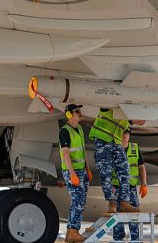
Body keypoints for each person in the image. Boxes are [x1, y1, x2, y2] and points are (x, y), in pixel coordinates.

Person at [89, 108, 139, 214]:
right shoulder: (109, 107)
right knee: (106, 173)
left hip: (116, 141)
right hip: (102, 141)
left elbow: (141, 121)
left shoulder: (127, 115)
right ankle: (111, 202)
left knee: (125, 170)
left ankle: (124, 202)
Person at [59, 104, 91, 243]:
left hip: (81, 170)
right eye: (77, 111)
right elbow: (65, 154)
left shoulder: (79, 129)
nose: (80, 113)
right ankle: (73, 231)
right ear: (69, 115)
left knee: (81, 201)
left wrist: (87, 168)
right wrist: (72, 174)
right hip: (72, 171)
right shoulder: (65, 131)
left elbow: (82, 152)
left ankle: (71, 232)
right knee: (78, 201)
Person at [112, 129, 148, 242]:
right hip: (117, 187)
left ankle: (135, 239)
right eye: (123, 133)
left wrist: (144, 184)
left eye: (127, 133)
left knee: (134, 215)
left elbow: (141, 167)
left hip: (131, 188)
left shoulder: (134, 148)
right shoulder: (114, 148)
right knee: (117, 216)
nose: (125, 135)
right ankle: (118, 239)